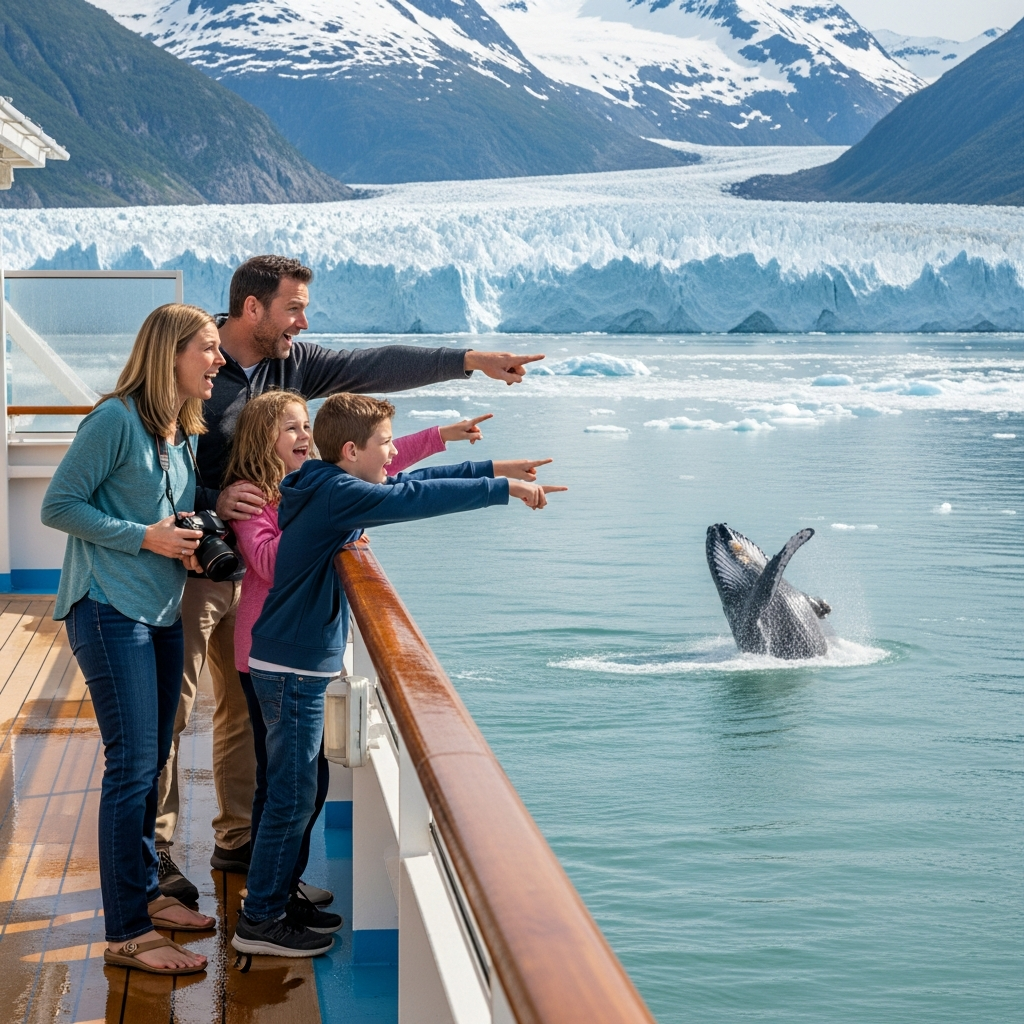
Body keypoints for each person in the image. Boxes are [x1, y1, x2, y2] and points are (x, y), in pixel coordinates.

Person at [154, 254, 547, 903]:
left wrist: (471, 360)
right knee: (172, 706)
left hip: (260, 582)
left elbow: (375, 369)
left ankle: (236, 838)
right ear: (253, 308)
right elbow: (158, 467)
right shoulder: (195, 367)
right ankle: (159, 851)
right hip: (199, 563)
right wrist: (212, 497)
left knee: (240, 711)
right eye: (293, 309)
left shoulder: (293, 363)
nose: (303, 322)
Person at [231, 393, 566, 955]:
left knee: (296, 791)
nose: (392, 452)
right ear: (350, 450)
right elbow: (415, 497)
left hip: (292, 659)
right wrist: (502, 490)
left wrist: (492, 468)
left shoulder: (326, 483)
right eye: (385, 443)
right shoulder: (336, 494)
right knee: (291, 796)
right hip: (290, 666)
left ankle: (276, 897)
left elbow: (411, 479)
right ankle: (259, 920)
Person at [41, 304, 224, 975]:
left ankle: (144, 896)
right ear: (170, 352)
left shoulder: (182, 430)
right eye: (207, 347)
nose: (219, 360)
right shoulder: (114, 418)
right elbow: (57, 505)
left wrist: (182, 536)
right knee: (131, 766)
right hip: (108, 607)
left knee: (156, 760)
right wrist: (145, 536)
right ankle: (124, 932)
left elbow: (149, 508)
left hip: (162, 607)